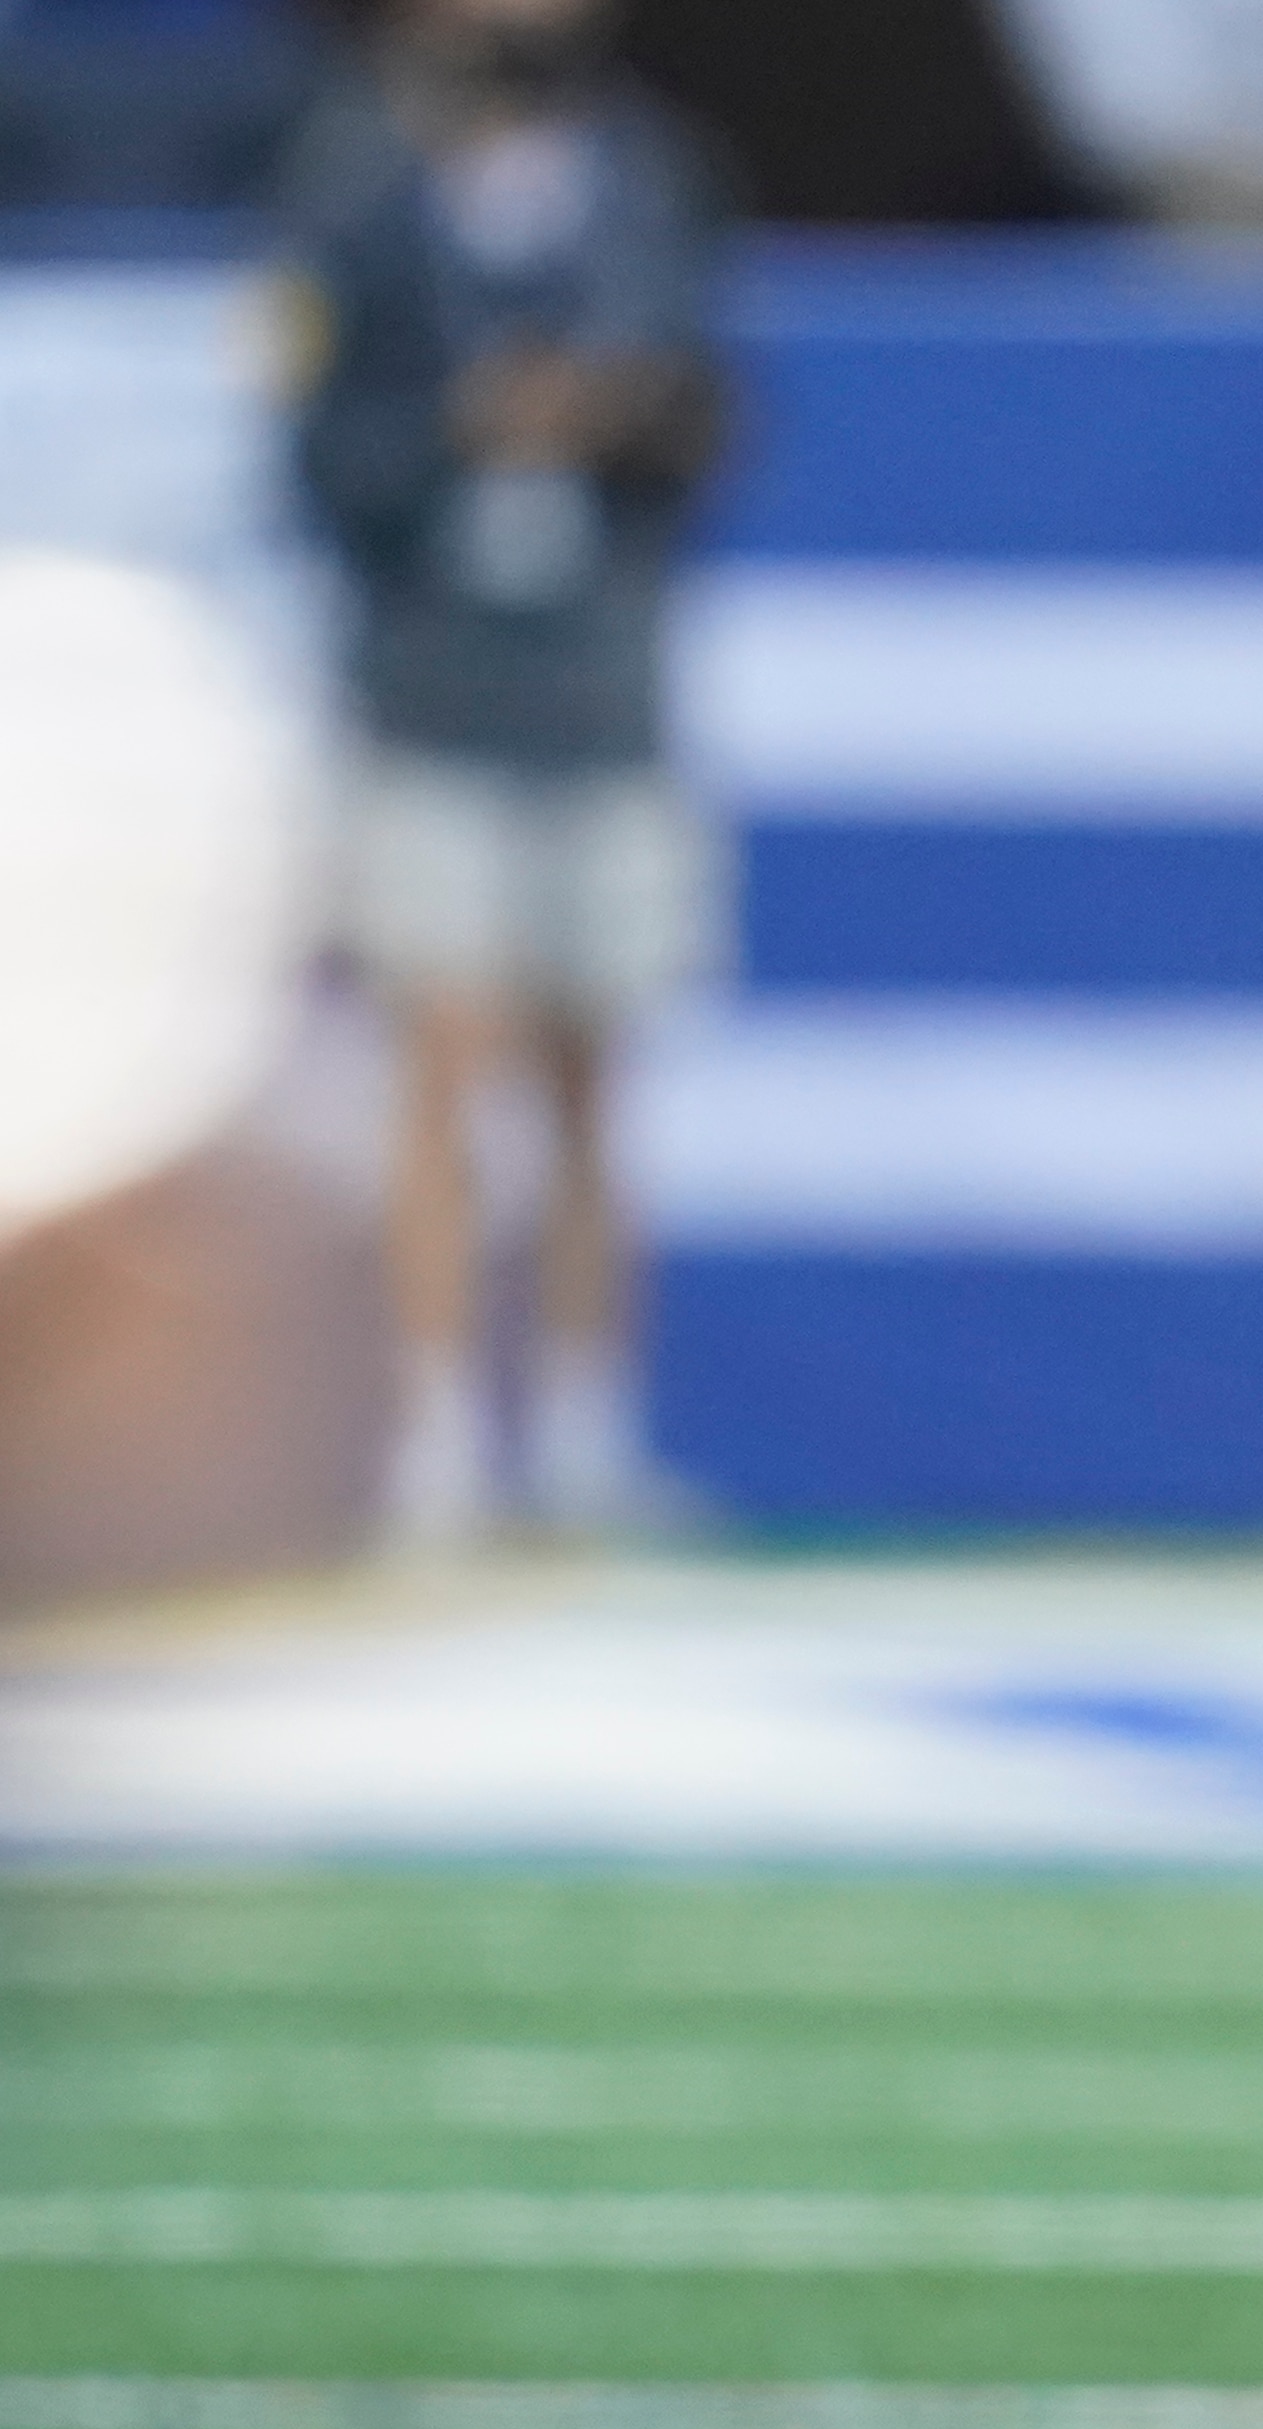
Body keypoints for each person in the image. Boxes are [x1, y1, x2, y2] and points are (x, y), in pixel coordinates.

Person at [276, 0, 727, 1558]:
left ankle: (593, 1429)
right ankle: (435, 1434)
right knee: (443, 1066)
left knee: (598, 1076)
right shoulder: (355, 176)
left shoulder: (647, 175)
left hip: (599, 686)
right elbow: (313, 452)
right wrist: (457, 431)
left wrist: (610, 418)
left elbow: (721, 411)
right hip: (435, 686)